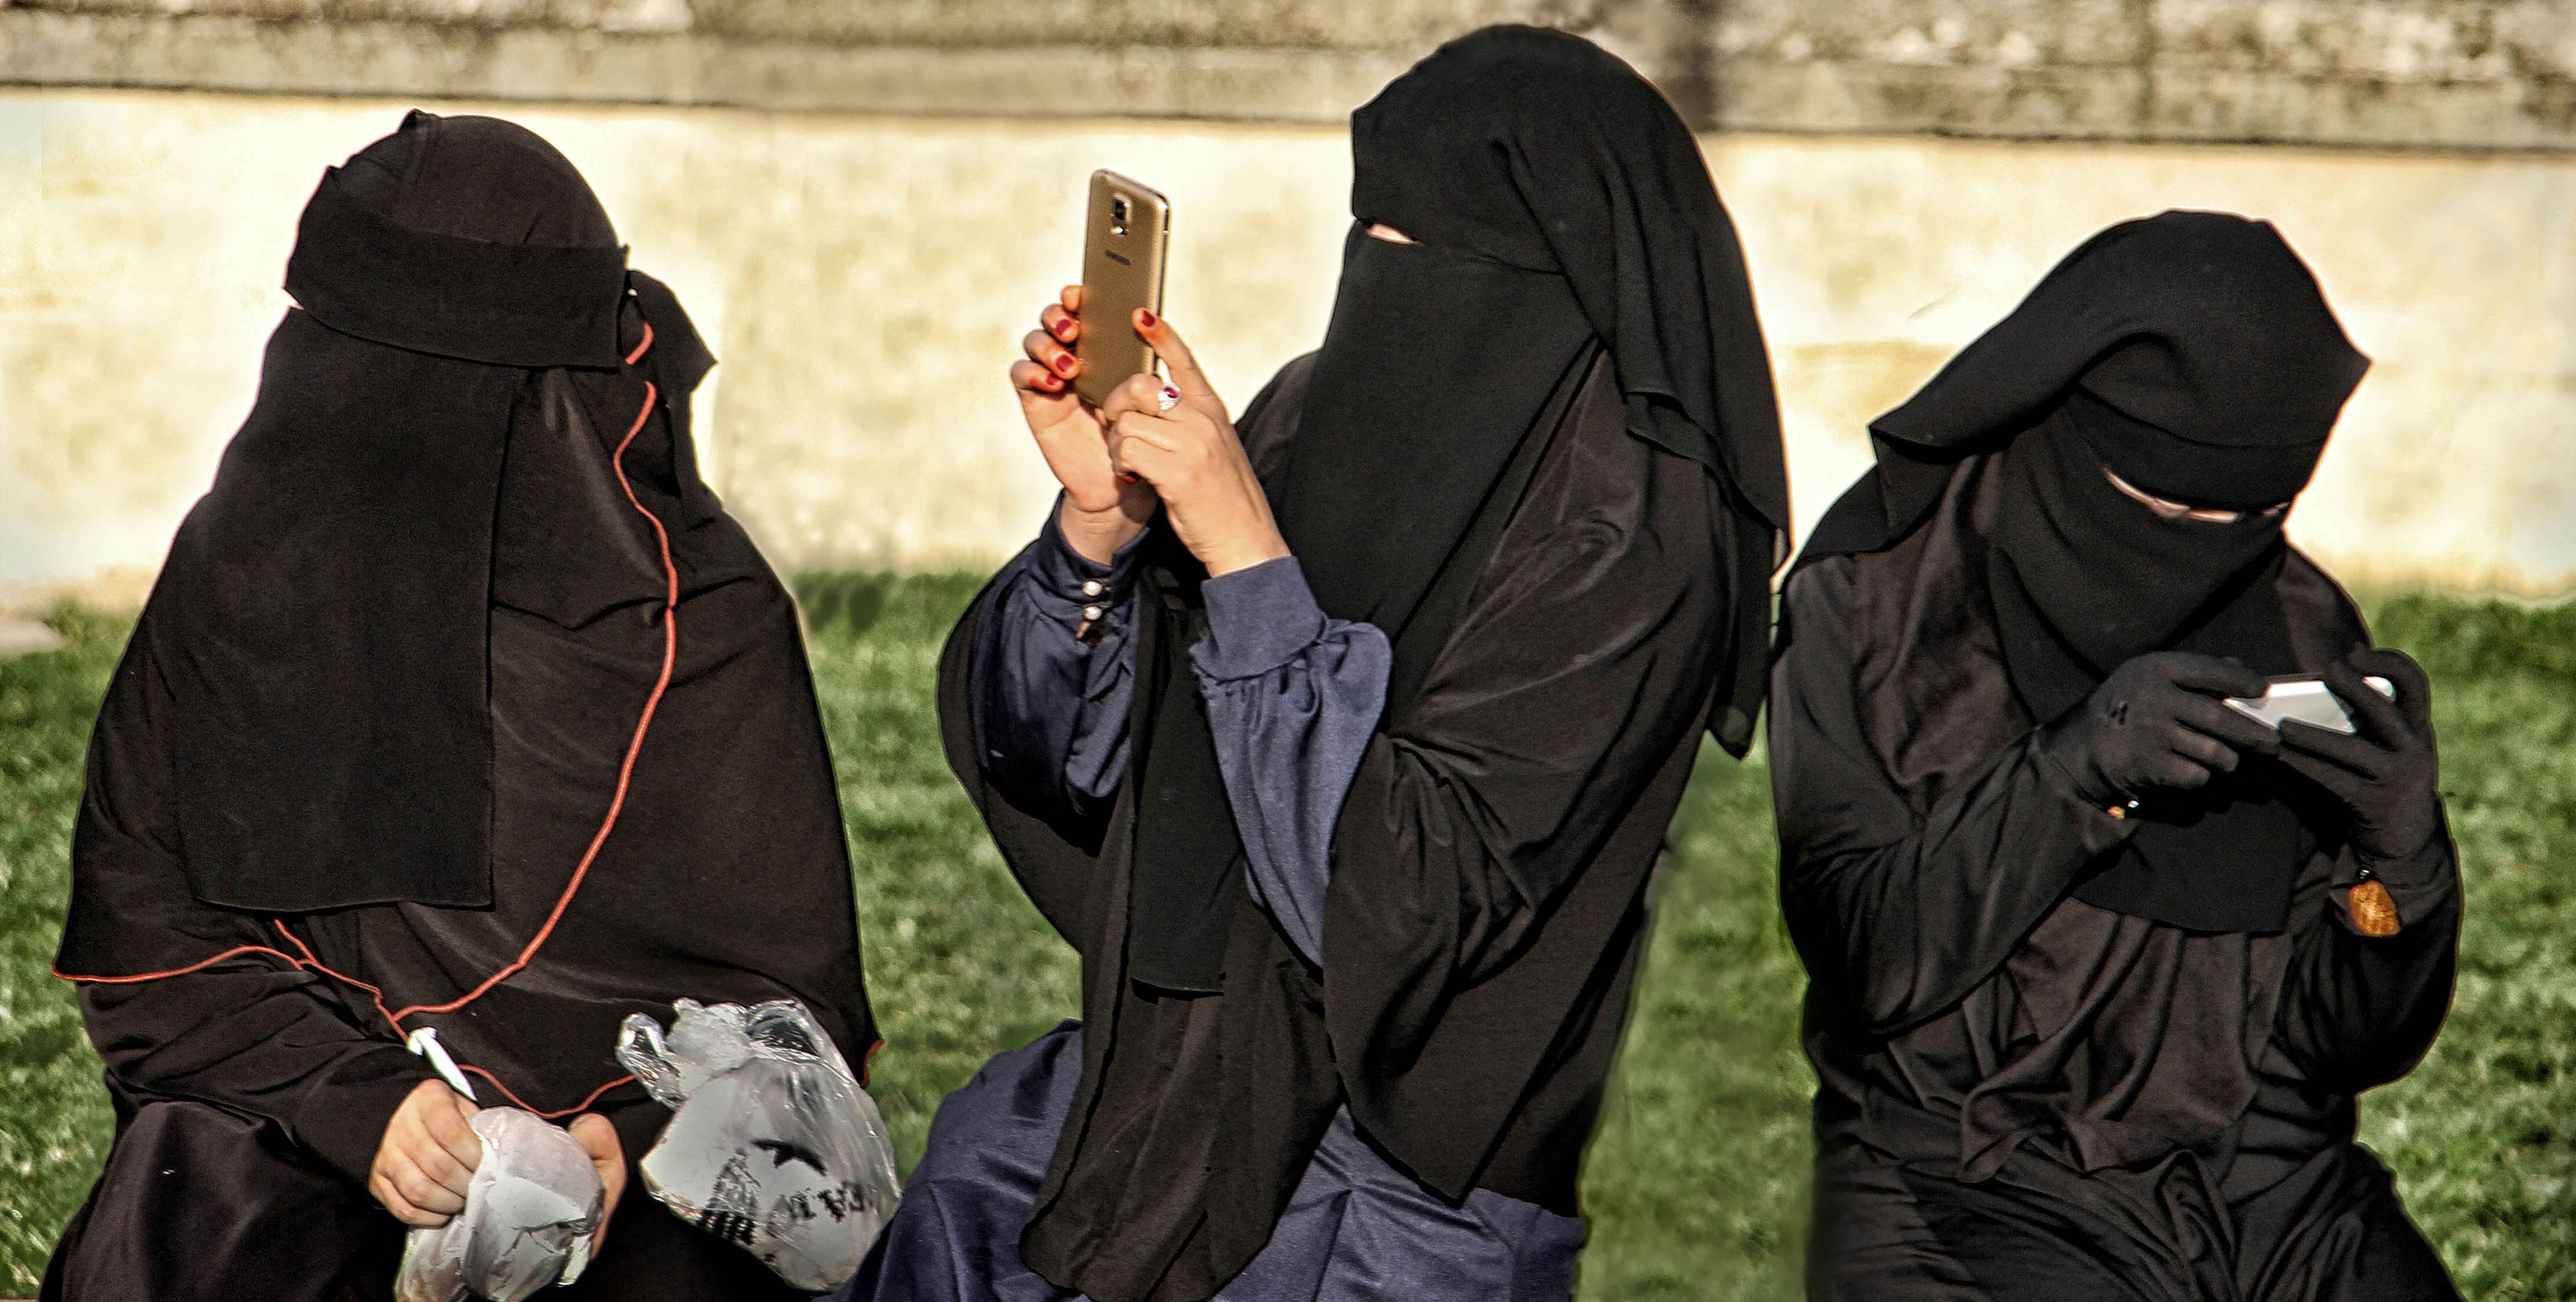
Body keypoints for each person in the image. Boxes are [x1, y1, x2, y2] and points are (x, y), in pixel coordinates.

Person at [852, 25, 1790, 1302]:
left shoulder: (1630, 539)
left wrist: (1243, 551)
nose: (1387, 287)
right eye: (1373, 243)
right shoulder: (1314, 406)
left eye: (1435, 255)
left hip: (1398, 1183)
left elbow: (1396, 901)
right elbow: (1072, 765)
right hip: (1143, 1093)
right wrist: (1099, 535)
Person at [44, 111, 876, 1301]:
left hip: (631, 1181)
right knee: (193, 1193)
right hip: (314, 1121)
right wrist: (358, 1105)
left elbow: (798, 1018)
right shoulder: (252, 570)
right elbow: (152, 933)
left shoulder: (697, 622)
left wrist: (635, 1139)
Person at [1770, 211, 2461, 1300]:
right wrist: (2072, 776)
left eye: (2256, 512)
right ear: (2075, 439)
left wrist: (2402, 863)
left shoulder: (2299, 617)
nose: (2213, 540)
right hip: (1970, 1177)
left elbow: (2344, 1048)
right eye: (2169, 505)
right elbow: (1867, 960)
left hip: (2271, 1187)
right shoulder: (1875, 610)